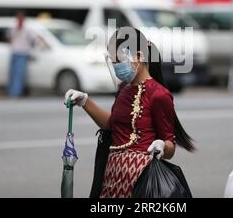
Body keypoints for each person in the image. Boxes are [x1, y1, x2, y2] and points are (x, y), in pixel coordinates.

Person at [64, 27, 195, 198]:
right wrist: (85, 101)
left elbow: (170, 145)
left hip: (141, 179)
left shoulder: (159, 94)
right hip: (112, 176)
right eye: (112, 62)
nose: (116, 67)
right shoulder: (123, 90)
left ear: (139, 57)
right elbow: (111, 125)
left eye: (118, 61)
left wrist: (162, 146)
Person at [6, 11, 36, 97]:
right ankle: (11, 91)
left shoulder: (28, 29)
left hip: (23, 53)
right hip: (14, 52)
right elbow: (9, 38)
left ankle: (16, 93)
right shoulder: (13, 28)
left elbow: (33, 39)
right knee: (12, 73)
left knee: (19, 74)